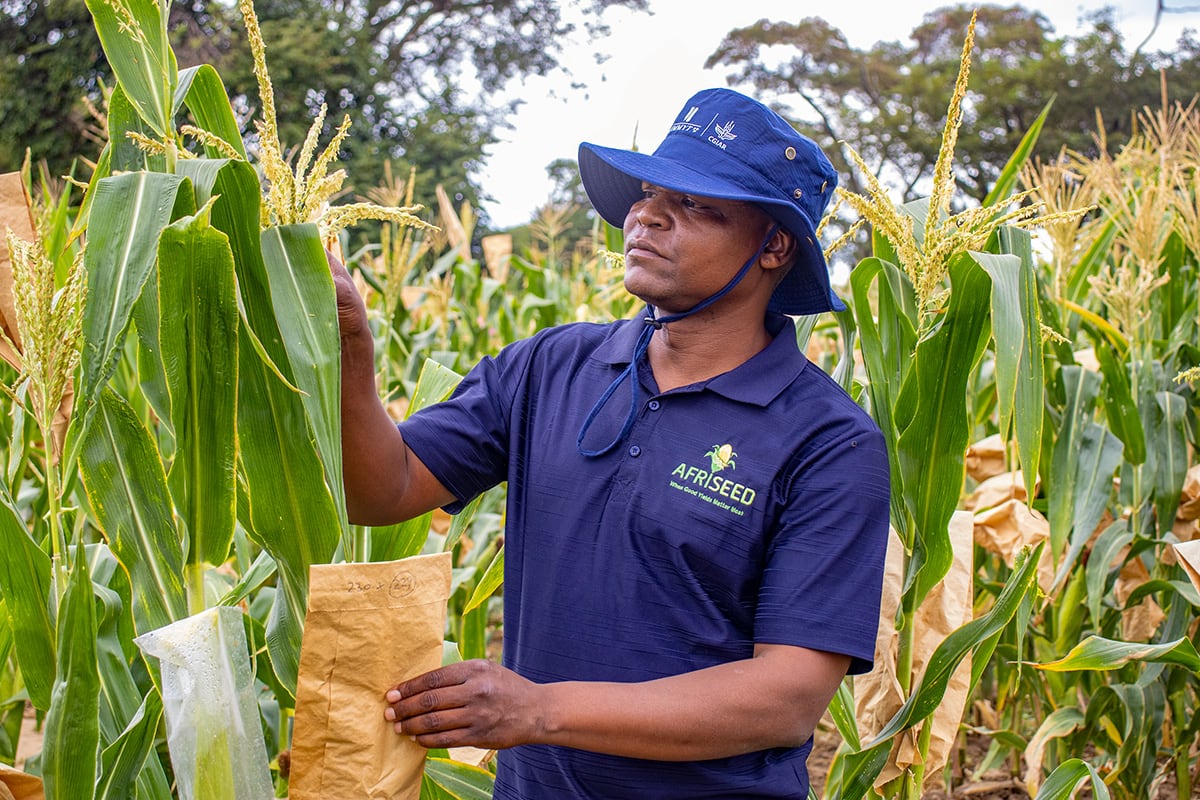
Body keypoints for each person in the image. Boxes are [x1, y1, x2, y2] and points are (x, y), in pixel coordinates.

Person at [333, 87, 890, 798]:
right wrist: (352, 359)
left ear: (774, 246)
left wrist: (538, 709)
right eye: (650, 191)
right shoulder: (548, 367)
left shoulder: (828, 443)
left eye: (695, 204)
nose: (645, 215)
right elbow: (382, 490)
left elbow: (786, 698)